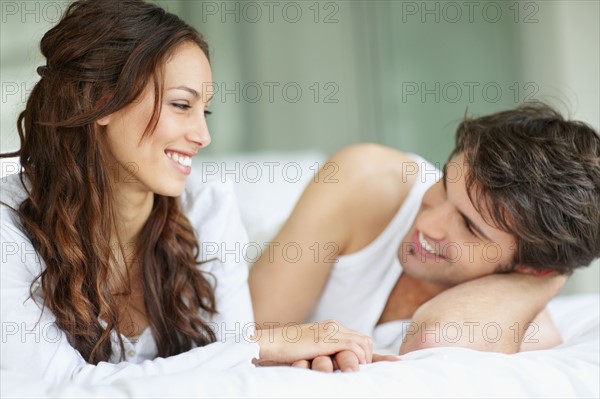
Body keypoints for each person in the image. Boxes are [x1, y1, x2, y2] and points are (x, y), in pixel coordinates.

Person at [0, 0, 374, 385]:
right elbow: (53, 388)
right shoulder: (8, 228)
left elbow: (234, 370)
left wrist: (288, 353)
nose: (203, 136)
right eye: (182, 105)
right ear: (100, 101)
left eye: (205, 111)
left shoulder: (207, 206)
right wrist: (261, 347)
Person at [249, 103, 600, 371]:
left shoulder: (523, 322)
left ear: (531, 268)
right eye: (444, 185)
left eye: (469, 226)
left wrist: (548, 280)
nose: (429, 224)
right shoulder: (364, 179)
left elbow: (432, 339)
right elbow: (241, 339)